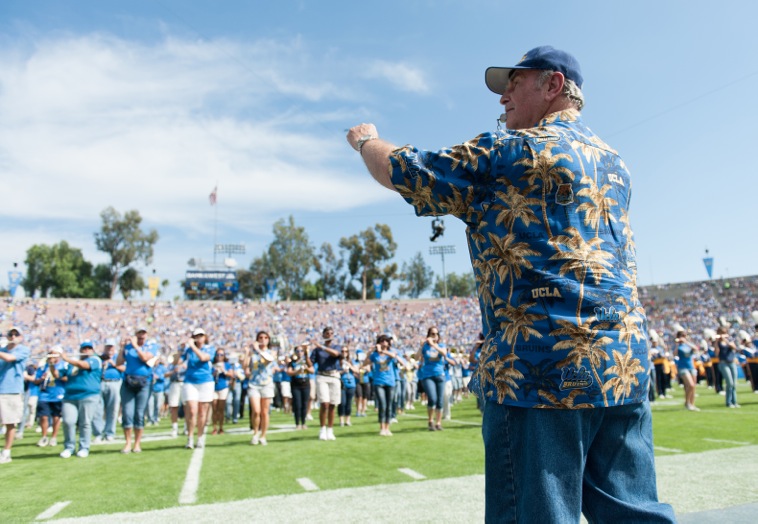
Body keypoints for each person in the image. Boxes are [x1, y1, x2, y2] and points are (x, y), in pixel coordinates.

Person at [348, 45, 675, 522]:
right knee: (635, 515)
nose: (502, 98)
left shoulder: (509, 152)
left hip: (539, 372)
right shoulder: (615, 163)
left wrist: (365, 141)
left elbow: (404, 170)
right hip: (623, 364)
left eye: (514, 83)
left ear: (552, 85)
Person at [117, 326, 158, 454]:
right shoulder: (128, 348)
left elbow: (145, 358)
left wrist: (135, 346)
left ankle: (137, 443)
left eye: (143, 333)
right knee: (127, 413)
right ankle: (128, 442)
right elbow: (119, 362)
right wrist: (122, 348)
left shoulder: (151, 346)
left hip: (144, 382)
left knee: (139, 414)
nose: (141, 336)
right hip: (129, 381)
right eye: (139, 333)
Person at [59, 341, 102, 458]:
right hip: (70, 396)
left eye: (89, 348)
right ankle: (69, 447)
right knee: (68, 421)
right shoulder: (72, 364)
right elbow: (58, 375)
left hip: (88, 395)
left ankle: (84, 447)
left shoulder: (95, 359)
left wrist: (66, 358)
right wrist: (52, 365)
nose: (87, 350)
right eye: (84, 349)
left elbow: (84, 366)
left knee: (85, 423)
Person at [0, 327, 31, 464]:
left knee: (9, 422)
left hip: (11, 390)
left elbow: (9, 358)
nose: (13, 336)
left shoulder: (23, 350)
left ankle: (6, 452)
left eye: (15, 334)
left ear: (20, 336)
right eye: (10, 334)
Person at [182, 328, 216, 449]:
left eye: (201, 336)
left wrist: (192, 347)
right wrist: (180, 349)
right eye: (197, 336)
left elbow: (203, 358)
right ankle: (190, 438)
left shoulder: (209, 348)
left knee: (203, 412)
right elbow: (177, 361)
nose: (199, 338)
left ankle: (200, 437)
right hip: (190, 381)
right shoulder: (188, 350)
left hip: (205, 382)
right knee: (192, 410)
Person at [363, 334, 401, 436]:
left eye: (386, 341)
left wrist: (383, 351)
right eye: (381, 341)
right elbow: (364, 363)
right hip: (379, 382)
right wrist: (370, 352)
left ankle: (387, 428)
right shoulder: (375, 355)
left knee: (389, 405)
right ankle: (382, 427)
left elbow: (395, 357)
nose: (384, 343)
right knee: (382, 405)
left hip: (390, 382)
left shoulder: (391, 352)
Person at [310, 327, 342, 441]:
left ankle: (330, 429)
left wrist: (321, 346)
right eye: (327, 333)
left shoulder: (336, 347)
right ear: (323, 335)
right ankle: (322, 428)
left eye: (331, 333)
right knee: (324, 403)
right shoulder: (316, 350)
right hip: (322, 376)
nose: (329, 335)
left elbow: (335, 354)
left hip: (334, 376)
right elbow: (310, 363)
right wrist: (305, 352)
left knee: (333, 404)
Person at [245, 331, 276, 446]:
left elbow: (268, 361)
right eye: (260, 337)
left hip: (267, 383)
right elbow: (246, 368)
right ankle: (255, 433)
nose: (263, 339)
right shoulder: (253, 354)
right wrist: (247, 354)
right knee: (256, 411)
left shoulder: (271, 352)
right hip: (254, 384)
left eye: (265, 337)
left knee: (264, 412)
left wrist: (258, 350)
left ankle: (263, 435)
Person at [416, 327, 449, 431]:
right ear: (428, 335)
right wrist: (421, 346)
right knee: (432, 398)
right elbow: (416, 358)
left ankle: (438, 423)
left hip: (440, 375)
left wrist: (434, 345)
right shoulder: (425, 347)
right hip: (427, 375)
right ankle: (430, 421)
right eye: (432, 334)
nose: (434, 336)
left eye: (436, 334)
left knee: (439, 401)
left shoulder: (441, 345)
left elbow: (444, 354)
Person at [92, 338, 123, 443]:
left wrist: (114, 364)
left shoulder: (118, 357)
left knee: (113, 409)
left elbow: (124, 368)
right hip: (100, 382)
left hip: (114, 382)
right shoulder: (99, 358)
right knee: (97, 409)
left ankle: (109, 432)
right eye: (108, 347)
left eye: (111, 347)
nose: (110, 349)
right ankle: (98, 433)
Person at [34, 349, 66, 448]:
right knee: (43, 416)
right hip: (45, 394)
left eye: (54, 355)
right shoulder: (43, 366)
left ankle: (54, 437)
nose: (52, 357)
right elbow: (36, 380)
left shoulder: (63, 366)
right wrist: (41, 379)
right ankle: (44, 436)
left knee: (56, 416)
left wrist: (58, 376)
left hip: (58, 394)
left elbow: (67, 378)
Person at [286, 344, 313, 430]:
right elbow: (289, 372)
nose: (300, 353)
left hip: (305, 384)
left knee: (305, 404)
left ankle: (303, 423)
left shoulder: (307, 361)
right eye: (298, 351)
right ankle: (297, 423)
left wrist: (306, 369)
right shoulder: (293, 362)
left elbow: (312, 370)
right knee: (297, 404)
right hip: (296, 385)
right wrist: (297, 371)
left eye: (301, 351)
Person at [674, 331, 700, 412]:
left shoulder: (688, 344)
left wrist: (686, 342)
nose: (683, 337)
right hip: (682, 367)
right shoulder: (678, 346)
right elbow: (674, 354)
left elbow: (696, 349)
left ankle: (692, 404)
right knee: (690, 385)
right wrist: (677, 344)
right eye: (681, 336)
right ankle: (687, 403)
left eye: (684, 336)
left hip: (691, 367)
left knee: (693, 387)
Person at [715, 326, 740, 408]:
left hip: (732, 362)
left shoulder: (730, 340)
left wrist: (726, 340)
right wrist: (716, 342)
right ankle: (728, 402)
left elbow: (734, 348)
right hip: (723, 363)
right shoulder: (718, 342)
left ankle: (734, 401)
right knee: (730, 383)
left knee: (734, 384)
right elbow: (716, 353)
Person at [211, 348, 232, 435]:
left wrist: (223, 370)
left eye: (221, 355)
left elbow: (231, 374)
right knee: (214, 408)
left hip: (223, 387)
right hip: (213, 387)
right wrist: (215, 372)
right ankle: (214, 427)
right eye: (218, 355)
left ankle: (221, 427)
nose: (219, 356)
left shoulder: (227, 364)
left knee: (221, 408)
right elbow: (208, 375)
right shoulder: (212, 365)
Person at [166, 351, 186, 438]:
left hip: (184, 383)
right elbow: (165, 374)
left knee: (186, 406)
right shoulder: (171, 365)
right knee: (174, 406)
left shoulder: (186, 364)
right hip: (174, 384)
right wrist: (173, 371)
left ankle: (186, 427)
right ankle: (174, 428)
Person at [338, 346, 358, 427]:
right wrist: (343, 371)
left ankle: (347, 420)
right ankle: (341, 420)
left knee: (349, 403)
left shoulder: (351, 361)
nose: (344, 353)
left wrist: (350, 366)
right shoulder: (337, 362)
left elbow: (357, 370)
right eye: (342, 351)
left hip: (351, 384)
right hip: (341, 384)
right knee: (342, 403)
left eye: (346, 351)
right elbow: (335, 372)